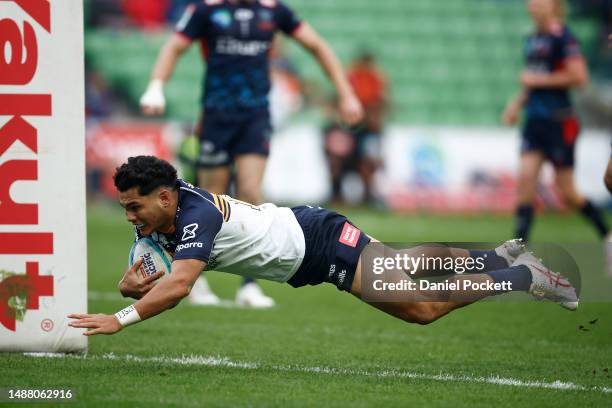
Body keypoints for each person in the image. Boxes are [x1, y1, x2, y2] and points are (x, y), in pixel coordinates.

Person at [68, 156, 579, 336]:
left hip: (318, 244)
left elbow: (179, 286)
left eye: (135, 207)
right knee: (403, 263)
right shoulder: (156, 218)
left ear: (164, 196)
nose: (130, 217)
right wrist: (125, 287)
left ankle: (524, 276)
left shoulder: (195, 213)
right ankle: (497, 256)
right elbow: (143, 279)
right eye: (125, 209)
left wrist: (119, 318)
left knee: (421, 308)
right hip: (308, 234)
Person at [139, 0, 363, 307]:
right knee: (210, 198)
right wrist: (156, 86)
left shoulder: (272, 11)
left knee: (250, 193)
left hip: (255, 117)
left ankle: (249, 285)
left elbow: (317, 45)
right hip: (216, 115)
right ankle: (195, 277)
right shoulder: (207, 10)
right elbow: (175, 46)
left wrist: (346, 93)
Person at [502, 0, 609, 241]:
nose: (534, 7)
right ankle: (517, 251)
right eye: (532, 3)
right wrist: (516, 105)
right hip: (534, 121)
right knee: (525, 181)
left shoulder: (564, 39)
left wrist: (538, 81)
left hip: (559, 122)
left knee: (568, 193)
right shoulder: (532, 39)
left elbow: (579, 76)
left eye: (541, 3)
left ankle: (606, 235)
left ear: (553, 6)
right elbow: (531, 80)